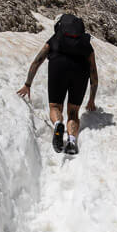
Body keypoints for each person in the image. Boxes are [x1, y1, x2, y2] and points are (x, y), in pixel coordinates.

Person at [16, 14, 97, 155]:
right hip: (80, 73)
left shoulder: (56, 38)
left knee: (55, 106)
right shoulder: (85, 44)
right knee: (73, 112)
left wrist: (28, 84)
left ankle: (58, 124)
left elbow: (37, 61)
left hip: (58, 67)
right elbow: (94, 74)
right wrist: (91, 99)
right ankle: (71, 141)